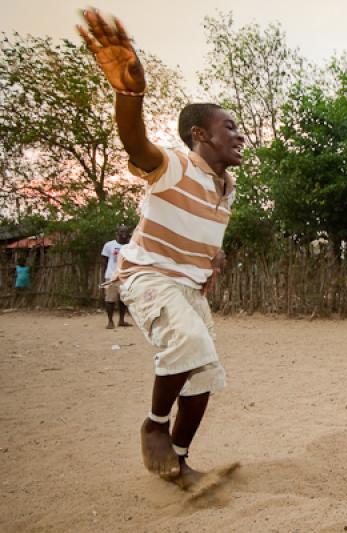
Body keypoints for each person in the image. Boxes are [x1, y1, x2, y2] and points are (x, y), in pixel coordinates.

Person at [78, 9, 245, 488]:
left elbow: (203, 235)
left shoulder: (226, 188)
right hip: (147, 276)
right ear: (200, 134)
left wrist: (213, 258)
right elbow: (134, 142)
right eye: (229, 127)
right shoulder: (172, 165)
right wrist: (129, 95)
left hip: (187, 288)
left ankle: (179, 459)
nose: (240, 135)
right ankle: (153, 424)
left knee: (204, 377)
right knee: (189, 344)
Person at [100, 225, 132, 329]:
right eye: (122, 232)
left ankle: (121, 320)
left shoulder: (131, 246)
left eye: (126, 233)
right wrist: (103, 277)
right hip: (111, 276)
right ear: (117, 233)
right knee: (110, 299)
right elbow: (104, 263)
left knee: (123, 299)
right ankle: (110, 321)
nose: (124, 235)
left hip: (125, 277)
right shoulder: (109, 245)